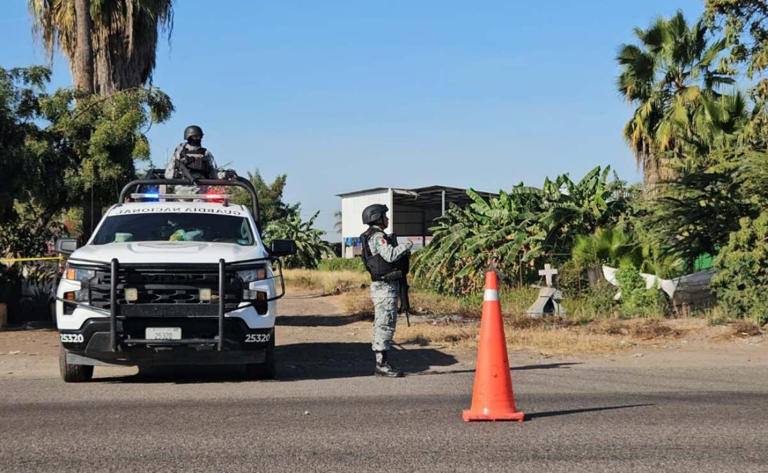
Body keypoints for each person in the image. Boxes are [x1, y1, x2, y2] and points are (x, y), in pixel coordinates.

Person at [360, 204, 413, 377]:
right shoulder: (377, 236)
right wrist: (407, 245)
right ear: (377, 218)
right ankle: (381, 364)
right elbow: (389, 255)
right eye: (385, 216)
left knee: (383, 323)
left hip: (382, 287)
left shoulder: (373, 235)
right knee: (385, 324)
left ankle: (382, 362)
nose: (388, 219)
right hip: (384, 289)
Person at [165, 125, 218, 195]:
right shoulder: (179, 152)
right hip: (182, 188)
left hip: (200, 189)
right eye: (195, 137)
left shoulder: (206, 153)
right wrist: (177, 174)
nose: (197, 139)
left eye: (199, 137)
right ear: (189, 137)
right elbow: (168, 174)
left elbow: (213, 174)